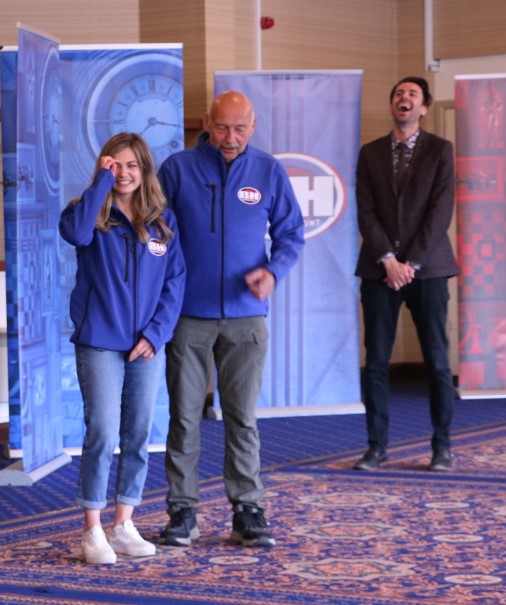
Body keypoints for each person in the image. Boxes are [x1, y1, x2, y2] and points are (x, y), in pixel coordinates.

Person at [157, 91, 305, 548]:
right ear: (207, 122)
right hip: (187, 316)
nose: (230, 137)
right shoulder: (177, 169)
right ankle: (183, 512)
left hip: (246, 319)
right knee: (184, 417)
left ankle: (248, 509)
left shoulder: (268, 170)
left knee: (242, 417)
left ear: (253, 127)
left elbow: (291, 234)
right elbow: (157, 232)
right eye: (222, 127)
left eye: (240, 129)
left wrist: (273, 271)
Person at [59, 133, 186, 565]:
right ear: (104, 168)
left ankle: (124, 522)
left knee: (138, 435)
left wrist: (157, 333)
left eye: (133, 166)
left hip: (146, 346)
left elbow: (175, 280)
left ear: (145, 170)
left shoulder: (162, 220)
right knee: (103, 433)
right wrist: (100, 184)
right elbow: (75, 236)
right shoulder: (88, 213)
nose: (125, 174)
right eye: (117, 166)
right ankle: (92, 530)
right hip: (100, 343)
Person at [353, 76, 458, 473]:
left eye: (412, 95)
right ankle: (376, 447)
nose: (404, 98)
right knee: (377, 360)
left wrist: (409, 262)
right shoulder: (370, 153)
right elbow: (366, 210)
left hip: (428, 269)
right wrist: (388, 260)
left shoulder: (441, 151)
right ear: (392, 105)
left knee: (436, 359)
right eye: (398, 93)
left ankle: (442, 446)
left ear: (424, 107)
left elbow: (440, 212)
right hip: (380, 270)